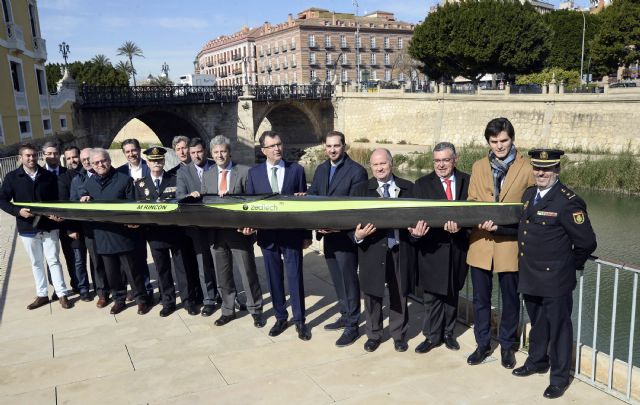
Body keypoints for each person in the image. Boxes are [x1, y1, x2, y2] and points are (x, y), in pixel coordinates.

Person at [507, 149, 596, 399]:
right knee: (538, 323)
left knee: (559, 329)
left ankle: (559, 377)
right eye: (537, 168)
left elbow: (587, 242)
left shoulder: (569, 201)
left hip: (555, 279)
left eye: (547, 169)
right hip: (531, 274)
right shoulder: (529, 195)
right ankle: (537, 361)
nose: (541, 173)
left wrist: (569, 265)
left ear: (557, 170)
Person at [466, 117, 535, 368]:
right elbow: (472, 200)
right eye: (494, 141)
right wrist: (479, 219)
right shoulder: (477, 166)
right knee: (480, 301)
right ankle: (482, 345)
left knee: (510, 301)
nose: (499, 146)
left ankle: (507, 347)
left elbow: (530, 210)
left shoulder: (527, 168)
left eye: (504, 140)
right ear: (488, 141)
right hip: (481, 243)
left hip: (510, 245)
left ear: (512, 139)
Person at [247, 130, 313, 341]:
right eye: (272, 145)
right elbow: (251, 206)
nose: (277, 148)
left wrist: (306, 233)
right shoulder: (254, 174)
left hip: (292, 235)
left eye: (279, 144)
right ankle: (280, 317)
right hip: (267, 237)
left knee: (295, 277)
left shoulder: (296, 171)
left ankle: (300, 321)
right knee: (274, 278)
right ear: (264, 150)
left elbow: (305, 206)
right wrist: (249, 227)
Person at [350, 148, 417, 353]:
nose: (379, 168)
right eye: (375, 164)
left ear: (391, 164)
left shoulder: (408, 188)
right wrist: (357, 236)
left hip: (399, 249)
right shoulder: (360, 190)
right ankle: (374, 334)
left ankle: (399, 335)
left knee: (399, 294)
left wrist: (416, 232)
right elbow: (349, 223)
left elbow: (417, 218)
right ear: (371, 166)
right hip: (371, 250)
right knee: (372, 295)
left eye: (383, 163)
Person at [307, 131, 367, 347]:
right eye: (329, 146)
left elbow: (355, 208)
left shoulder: (357, 172)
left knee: (349, 281)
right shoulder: (322, 169)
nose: (332, 150)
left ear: (344, 146)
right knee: (337, 279)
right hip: (327, 236)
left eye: (336, 146)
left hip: (345, 238)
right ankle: (345, 315)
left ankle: (353, 326)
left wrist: (335, 227)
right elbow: (314, 196)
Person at [199, 135, 265, 328]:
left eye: (223, 151)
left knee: (248, 272)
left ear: (229, 152)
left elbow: (252, 202)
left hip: (239, 232)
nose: (220, 155)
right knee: (223, 274)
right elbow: (204, 202)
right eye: (216, 152)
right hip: (216, 234)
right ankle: (228, 310)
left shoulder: (244, 172)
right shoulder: (208, 174)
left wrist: (250, 226)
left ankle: (256, 310)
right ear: (212, 154)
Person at [412, 142, 470, 354]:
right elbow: (414, 219)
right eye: (437, 161)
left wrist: (461, 228)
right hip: (432, 250)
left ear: (455, 159)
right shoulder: (421, 184)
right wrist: (415, 232)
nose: (441, 165)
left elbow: (473, 216)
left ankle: (448, 334)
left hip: (458, 248)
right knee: (432, 298)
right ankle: (431, 336)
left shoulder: (468, 181)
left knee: (452, 294)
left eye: (445, 160)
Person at [0, 143, 72, 309]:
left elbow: (57, 199)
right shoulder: (12, 177)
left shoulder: (48, 175)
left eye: (33, 155)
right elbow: (2, 200)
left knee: (53, 260)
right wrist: (18, 212)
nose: (31, 158)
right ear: (21, 158)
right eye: (27, 156)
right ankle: (42, 294)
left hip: (49, 225)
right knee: (36, 262)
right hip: (27, 227)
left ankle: (62, 294)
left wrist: (57, 215)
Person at [80, 148, 152, 315]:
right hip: (103, 236)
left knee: (133, 272)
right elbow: (83, 198)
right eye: (96, 162)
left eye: (103, 161)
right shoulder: (89, 184)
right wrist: (84, 197)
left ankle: (142, 299)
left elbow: (133, 206)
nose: (100, 164)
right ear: (91, 165)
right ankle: (119, 300)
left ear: (109, 161)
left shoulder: (124, 180)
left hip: (124, 236)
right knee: (112, 274)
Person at [134, 146, 200, 317]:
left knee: (182, 269)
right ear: (147, 163)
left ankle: (188, 301)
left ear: (164, 161)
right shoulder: (140, 184)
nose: (157, 163)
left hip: (176, 233)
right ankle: (168, 302)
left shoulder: (176, 179)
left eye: (159, 160)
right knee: (162, 270)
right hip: (154, 234)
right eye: (153, 161)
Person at [176, 137, 219, 316]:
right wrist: (188, 196)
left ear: (205, 151)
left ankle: (226, 295)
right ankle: (209, 299)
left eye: (199, 152)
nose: (195, 155)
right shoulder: (184, 172)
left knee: (221, 263)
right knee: (203, 265)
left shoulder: (216, 166)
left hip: (218, 224)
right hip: (197, 226)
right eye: (192, 153)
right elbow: (179, 196)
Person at [71, 148, 110, 307]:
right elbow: (72, 205)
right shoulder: (77, 180)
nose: (86, 162)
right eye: (84, 159)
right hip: (90, 229)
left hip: (109, 226)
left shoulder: (107, 175)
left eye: (89, 158)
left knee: (114, 261)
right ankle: (102, 293)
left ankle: (118, 288)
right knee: (97, 262)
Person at [116, 138, 154, 300]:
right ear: (124, 154)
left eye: (134, 150)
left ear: (139, 150)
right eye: (128, 151)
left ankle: (151, 290)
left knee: (156, 256)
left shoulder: (150, 166)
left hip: (151, 219)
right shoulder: (120, 172)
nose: (131, 154)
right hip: (132, 221)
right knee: (137, 258)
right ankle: (143, 289)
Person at [43, 141, 77, 293]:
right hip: (47, 223)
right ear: (43, 155)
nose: (52, 156)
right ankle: (57, 289)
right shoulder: (39, 174)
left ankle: (77, 285)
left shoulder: (67, 173)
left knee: (72, 257)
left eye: (55, 153)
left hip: (66, 222)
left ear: (60, 155)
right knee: (51, 258)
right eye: (49, 153)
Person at [58, 146, 91, 301]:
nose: (72, 160)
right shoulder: (63, 178)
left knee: (95, 259)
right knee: (79, 260)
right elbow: (65, 206)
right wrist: (69, 228)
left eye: (75, 157)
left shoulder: (90, 173)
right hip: (75, 226)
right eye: (69, 158)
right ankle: (83, 288)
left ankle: (99, 285)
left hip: (91, 225)